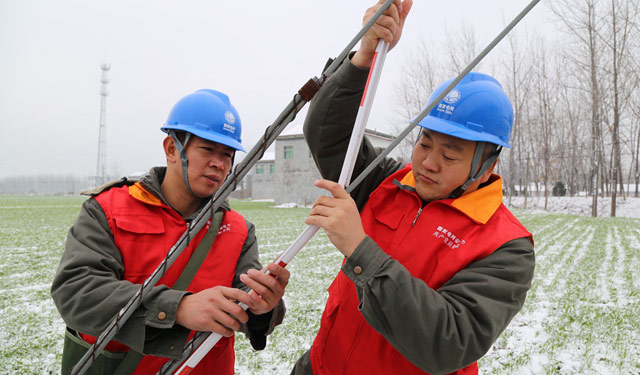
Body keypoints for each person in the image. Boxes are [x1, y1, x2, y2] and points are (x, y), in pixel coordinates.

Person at [291, 1, 535, 374]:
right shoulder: (384, 182)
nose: (427, 163)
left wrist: (361, 251)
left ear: (487, 167)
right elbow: (328, 133)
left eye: (450, 155)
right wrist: (366, 52)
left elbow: (449, 340)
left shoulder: (506, 247)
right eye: (424, 143)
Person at [51, 89, 289, 375]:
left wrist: (263, 308)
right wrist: (179, 308)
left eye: (227, 154)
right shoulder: (108, 209)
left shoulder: (238, 229)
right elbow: (76, 291)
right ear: (171, 148)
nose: (220, 163)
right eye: (208, 149)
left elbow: (245, 305)